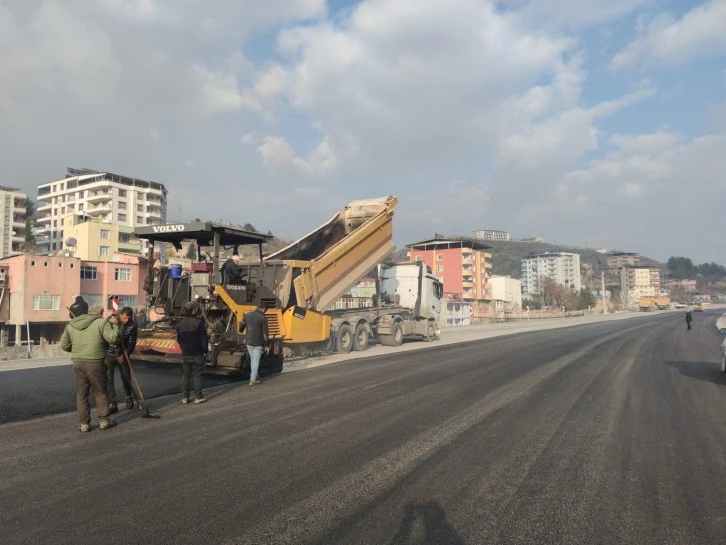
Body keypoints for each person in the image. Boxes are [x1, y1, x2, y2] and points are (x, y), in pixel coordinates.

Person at [60, 304, 120, 432]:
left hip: (77, 362)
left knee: (81, 395)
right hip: (95, 362)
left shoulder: (71, 324)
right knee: (100, 392)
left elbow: (64, 345)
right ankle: (104, 421)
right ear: (99, 312)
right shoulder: (101, 322)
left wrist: (77, 350)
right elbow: (113, 338)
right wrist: (114, 325)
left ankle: (84, 425)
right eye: (102, 313)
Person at [106, 307, 138, 414]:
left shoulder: (132, 325)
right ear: (121, 314)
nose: (127, 320)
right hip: (109, 354)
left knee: (126, 377)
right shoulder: (111, 321)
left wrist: (124, 355)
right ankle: (112, 403)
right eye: (125, 318)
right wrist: (115, 354)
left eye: (129, 318)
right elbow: (105, 338)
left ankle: (128, 397)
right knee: (109, 379)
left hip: (123, 354)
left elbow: (131, 343)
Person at [175, 302, 208, 404]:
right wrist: (205, 351)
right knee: (197, 375)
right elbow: (204, 339)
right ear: (194, 310)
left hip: (185, 354)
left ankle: (185, 397)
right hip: (197, 353)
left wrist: (183, 349)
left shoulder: (179, 324)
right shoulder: (198, 323)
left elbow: (179, 340)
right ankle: (198, 397)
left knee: (186, 375)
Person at [242, 304, 269, 386]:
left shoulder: (247, 315)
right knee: (255, 360)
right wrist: (266, 345)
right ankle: (252, 380)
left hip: (249, 342)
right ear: (263, 309)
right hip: (258, 342)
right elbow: (265, 333)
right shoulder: (263, 317)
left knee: (253, 360)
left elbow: (241, 327)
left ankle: (256, 377)